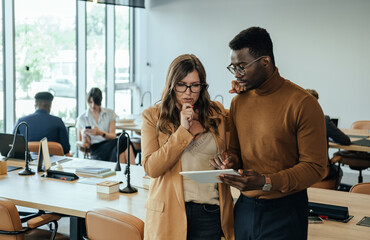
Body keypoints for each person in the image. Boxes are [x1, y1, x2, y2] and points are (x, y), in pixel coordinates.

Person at [214, 27, 327, 240]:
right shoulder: (238, 101)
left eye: (242, 67)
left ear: (265, 62)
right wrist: (229, 162)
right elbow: (237, 151)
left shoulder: (303, 104)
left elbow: (315, 168)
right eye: (233, 67)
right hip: (245, 208)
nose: (237, 74)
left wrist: (266, 181)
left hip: (285, 211)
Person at [141, 54, 234, 240]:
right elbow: (152, 168)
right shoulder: (152, 116)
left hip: (210, 212)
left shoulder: (217, 113)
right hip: (168, 213)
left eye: (195, 85)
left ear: (202, 86)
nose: (188, 92)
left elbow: (238, 149)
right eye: (181, 85)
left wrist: (229, 162)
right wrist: (183, 131)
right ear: (171, 85)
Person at [76, 87, 136, 164]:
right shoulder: (82, 118)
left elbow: (113, 136)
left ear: (100, 101)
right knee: (124, 143)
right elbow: (82, 144)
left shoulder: (109, 113)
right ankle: (133, 169)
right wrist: (84, 136)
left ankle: (124, 171)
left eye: (96, 103)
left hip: (109, 143)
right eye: (90, 102)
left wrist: (99, 133)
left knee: (123, 141)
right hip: (96, 149)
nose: (93, 106)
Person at [306, 89, 351, 185]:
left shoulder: (291, 120)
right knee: (339, 171)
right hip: (321, 173)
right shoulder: (324, 119)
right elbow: (345, 141)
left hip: (297, 175)